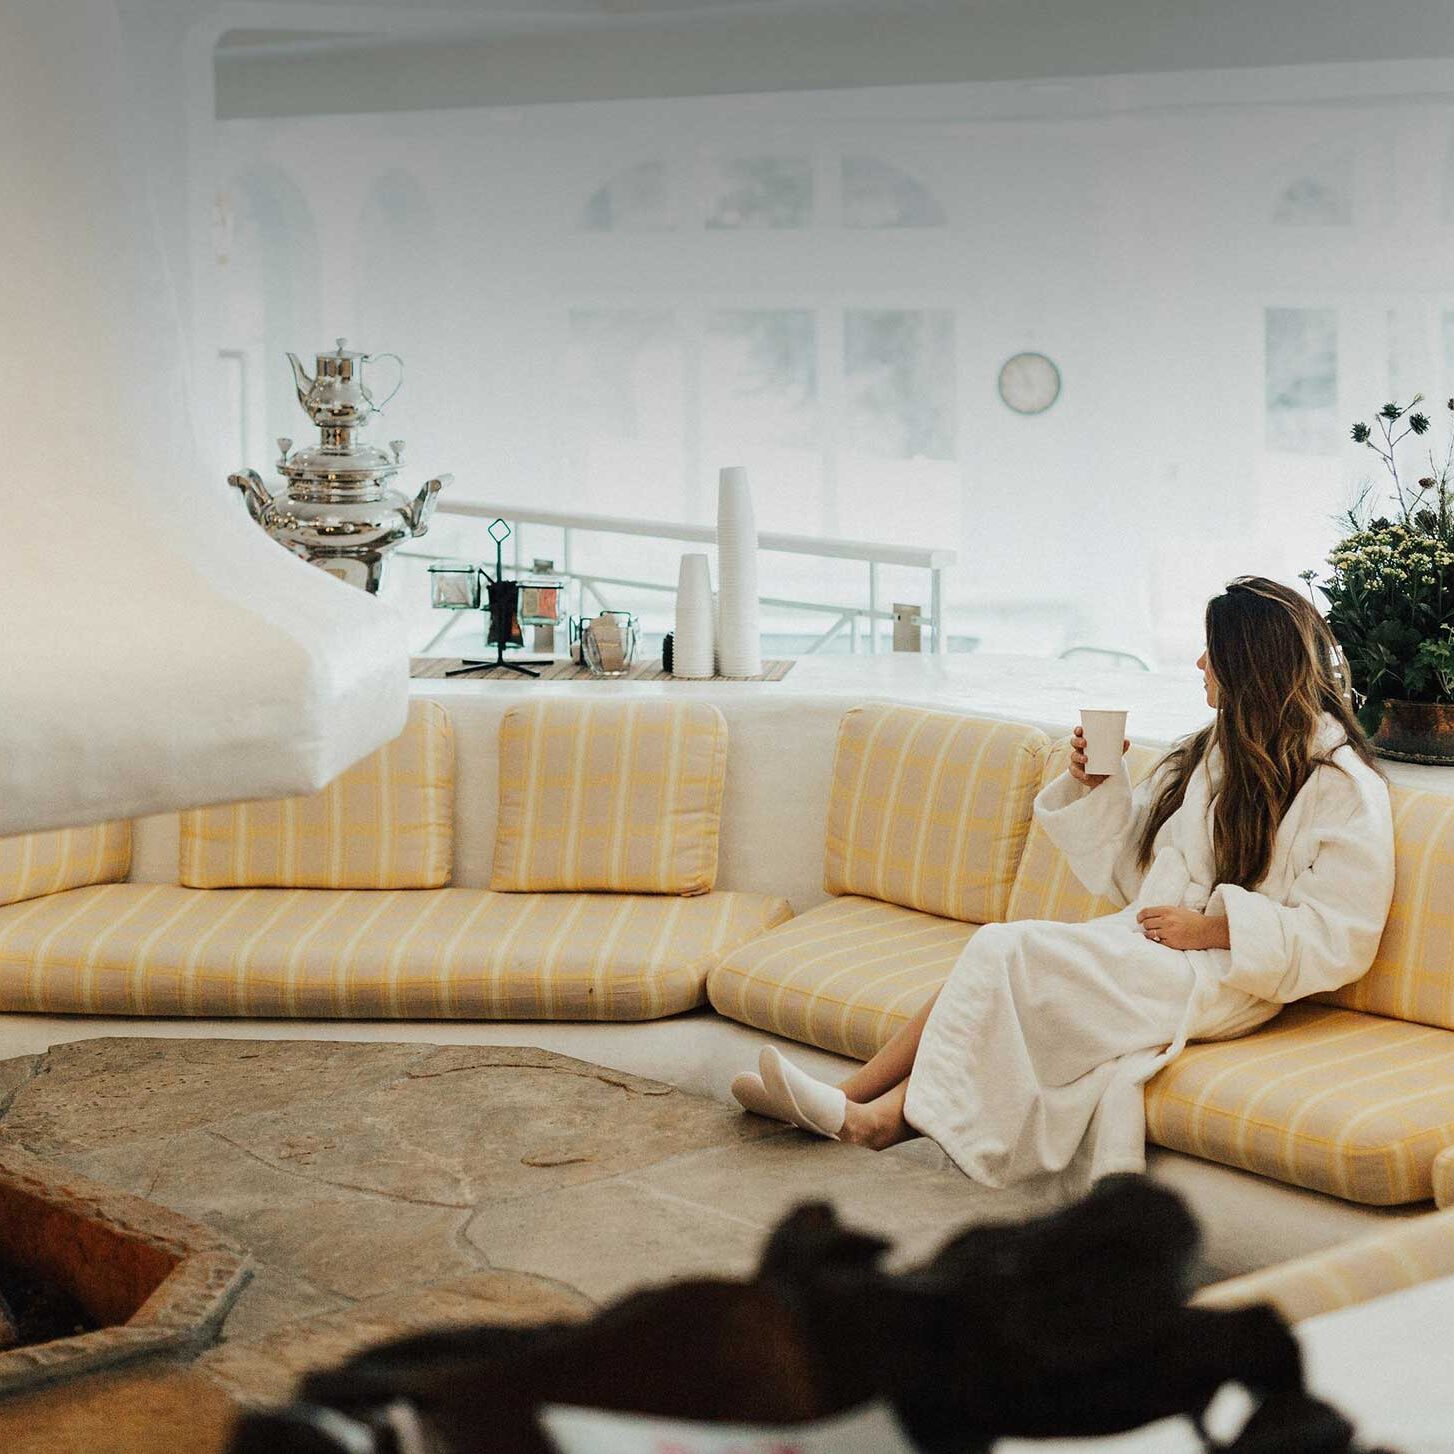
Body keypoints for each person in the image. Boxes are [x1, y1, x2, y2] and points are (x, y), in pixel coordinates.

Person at [732, 577, 1396, 1190]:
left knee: (1005, 952)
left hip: (1227, 977)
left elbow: (1342, 936)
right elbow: (1139, 876)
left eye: (1210, 653)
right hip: (1161, 951)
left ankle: (869, 1119)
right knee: (999, 964)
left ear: (1248, 663)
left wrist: (1217, 927)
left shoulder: (1339, 786)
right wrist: (1099, 786)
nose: (1199, 666)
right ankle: (848, 1100)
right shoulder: (1213, 752)